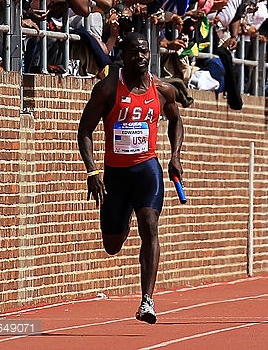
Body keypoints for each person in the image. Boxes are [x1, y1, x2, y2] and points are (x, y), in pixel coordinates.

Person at [77, 33, 184, 325]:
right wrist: (92, 171)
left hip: (147, 169)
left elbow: (176, 120)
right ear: (123, 56)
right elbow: (85, 130)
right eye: (134, 52)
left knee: (149, 225)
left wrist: (175, 156)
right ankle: (122, 219)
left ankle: (147, 300)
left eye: (144, 52)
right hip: (116, 175)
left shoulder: (162, 89)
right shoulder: (108, 88)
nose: (141, 57)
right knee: (112, 244)